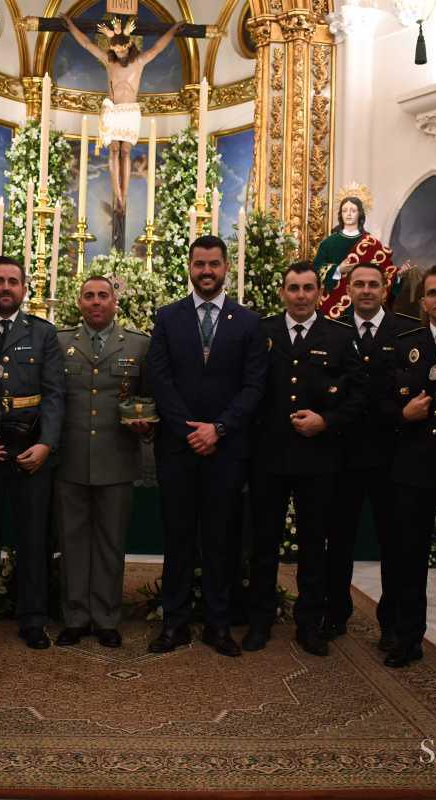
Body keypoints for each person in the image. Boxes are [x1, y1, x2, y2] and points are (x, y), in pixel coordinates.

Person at [146, 234, 267, 657]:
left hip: (226, 450)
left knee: (221, 540)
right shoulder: (167, 318)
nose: (207, 271)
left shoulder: (249, 322)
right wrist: (189, 430)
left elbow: (255, 386)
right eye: (199, 264)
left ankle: (218, 624)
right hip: (179, 451)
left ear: (226, 267)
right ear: (189, 267)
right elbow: (159, 380)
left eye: (214, 264)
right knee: (177, 538)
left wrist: (218, 429)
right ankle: (174, 624)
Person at [246, 261, 364, 657]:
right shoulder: (262, 332)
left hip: (318, 458)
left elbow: (357, 397)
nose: (300, 296)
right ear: (282, 292)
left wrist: (326, 421)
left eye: (307, 288)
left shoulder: (339, 335)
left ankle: (309, 623)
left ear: (319, 293)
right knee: (264, 543)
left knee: (316, 544)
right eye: (293, 288)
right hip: (268, 457)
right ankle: (259, 620)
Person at [0, 256, 66, 652]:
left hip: (30, 447)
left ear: (24, 289)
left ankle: (33, 619)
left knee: (34, 539)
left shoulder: (43, 333)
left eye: (13, 282)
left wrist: (46, 445)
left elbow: (55, 395)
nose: (6, 288)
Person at [52, 276, 152, 649]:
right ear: (79, 302)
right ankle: (76, 616)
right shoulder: (61, 343)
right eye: (88, 295)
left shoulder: (139, 345)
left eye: (103, 296)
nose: (96, 301)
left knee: (111, 543)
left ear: (115, 302)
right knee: (73, 542)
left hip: (117, 460)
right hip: (71, 460)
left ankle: (107, 617)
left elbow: (148, 398)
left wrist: (147, 427)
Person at [324, 263, 419, 650]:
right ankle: (334, 613)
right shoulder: (333, 329)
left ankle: (392, 622)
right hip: (341, 455)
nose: (366, 290)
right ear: (348, 288)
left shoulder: (408, 331)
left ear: (385, 289)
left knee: (393, 544)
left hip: (390, 456)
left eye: (373, 284)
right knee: (339, 540)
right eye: (359, 284)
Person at [381, 264, 436, 670]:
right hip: (411, 470)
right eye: (432, 293)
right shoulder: (406, 345)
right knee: (407, 559)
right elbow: (379, 402)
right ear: (423, 301)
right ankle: (406, 637)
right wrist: (402, 414)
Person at [61, 13, 183, 218]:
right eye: (116, 50)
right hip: (113, 110)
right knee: (114, 150)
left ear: (129, 45)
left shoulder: (140, 61)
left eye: (122, 49)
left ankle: (123, 197)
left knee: (126, 151)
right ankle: (117, 193)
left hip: (130, 111)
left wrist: (173, 30)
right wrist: (71, 25)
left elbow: (158, 47)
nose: (119, 53)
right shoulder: (109, 61)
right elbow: (86, 44)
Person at [314, 196, 395, 320]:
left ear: (360, 214)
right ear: (340, 214)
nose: (349, 214)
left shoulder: (371, 243)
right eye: (345, 210)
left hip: (365, 302)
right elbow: (316, 270)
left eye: (353, 210)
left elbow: (386, 272)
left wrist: (399, 276)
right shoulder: (328, 243)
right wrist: (338, 270)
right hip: (334, 305)